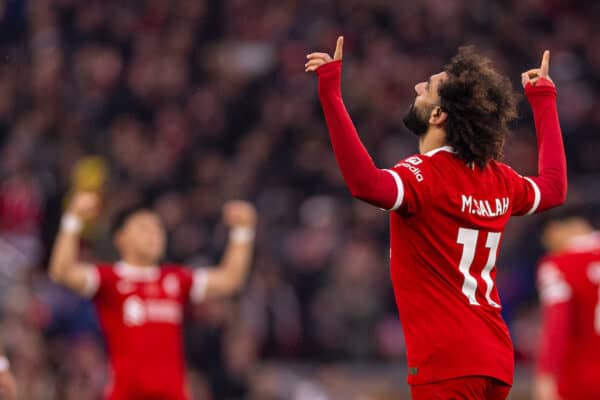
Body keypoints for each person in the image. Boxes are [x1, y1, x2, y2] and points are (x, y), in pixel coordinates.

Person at [305, 37, 567, 399]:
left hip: (446, 363)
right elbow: (554, 188)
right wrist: (543, 100)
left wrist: (330, 94)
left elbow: (364, 183)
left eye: (427, 87)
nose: (416, 87)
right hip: (495, 360)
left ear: (438, 115)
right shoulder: (499, 178)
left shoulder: (422, 176)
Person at [49, 191, 257, 400]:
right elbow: (61, 271)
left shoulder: (176, 279)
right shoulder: (109, 279)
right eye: (143, 228)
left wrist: (243, 232)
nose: (154, 234)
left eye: (158, 228)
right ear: (120, 238)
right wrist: (73, 218)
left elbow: (230, 279)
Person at [534, 212, 600, 400]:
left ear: (555, 230)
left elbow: (557, 324)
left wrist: (545, 375)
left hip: (580, 381)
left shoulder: (558, 266)